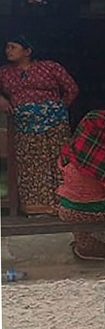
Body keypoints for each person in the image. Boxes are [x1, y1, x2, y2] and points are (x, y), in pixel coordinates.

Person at [0, 36, 79, 215]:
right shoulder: (4, 72)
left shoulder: (50, 67)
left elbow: (71, 88)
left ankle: (62, 204)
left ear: (28, 51)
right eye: (7, 47)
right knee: (30, 163)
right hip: (24, 127)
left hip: (55, 124)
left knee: (57, 161)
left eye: (13, 47)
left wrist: (57, 109)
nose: (8, 51)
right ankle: (36, 206)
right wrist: (2, 99)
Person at [56, 110, 105, 261]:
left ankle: (85, 248)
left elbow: (61, 170)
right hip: (100, 212)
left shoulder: (70, 146)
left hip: (67, 211)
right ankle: (103, 248)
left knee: (77, 203)